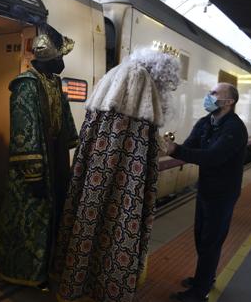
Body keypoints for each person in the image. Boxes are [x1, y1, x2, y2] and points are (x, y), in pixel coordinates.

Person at [54, 48, 181, 302]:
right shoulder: (139, 84)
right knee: (118, 221)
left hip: (95, 174)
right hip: (121, 179)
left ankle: (75, 280)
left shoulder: (113, 80)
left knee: (87, 218)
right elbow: (136, 152)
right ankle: (106, 286)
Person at [0, 23, 78, 288]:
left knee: (54, 215)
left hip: (54, 158)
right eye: (60, 57)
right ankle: (23, 273)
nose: (63, 62)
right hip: (36, 163)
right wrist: (33, 174)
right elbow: (23, 132)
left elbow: (64, 119)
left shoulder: (53, 82)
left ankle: (47, 269)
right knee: (29, 221)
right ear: (50, 58)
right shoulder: (25, 85)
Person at [165, 83, 247, 302]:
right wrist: (169, 147)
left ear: (228, 102)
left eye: (214, 93)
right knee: (202, 237)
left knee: (211, 241)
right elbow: (190, 146)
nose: (208, 96)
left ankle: (199, 292)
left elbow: (212, 157)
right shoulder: (206, 122)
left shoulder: (234, 128)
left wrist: (177, 150)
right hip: (206, 189)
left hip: (223, 193)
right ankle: (204, 278)